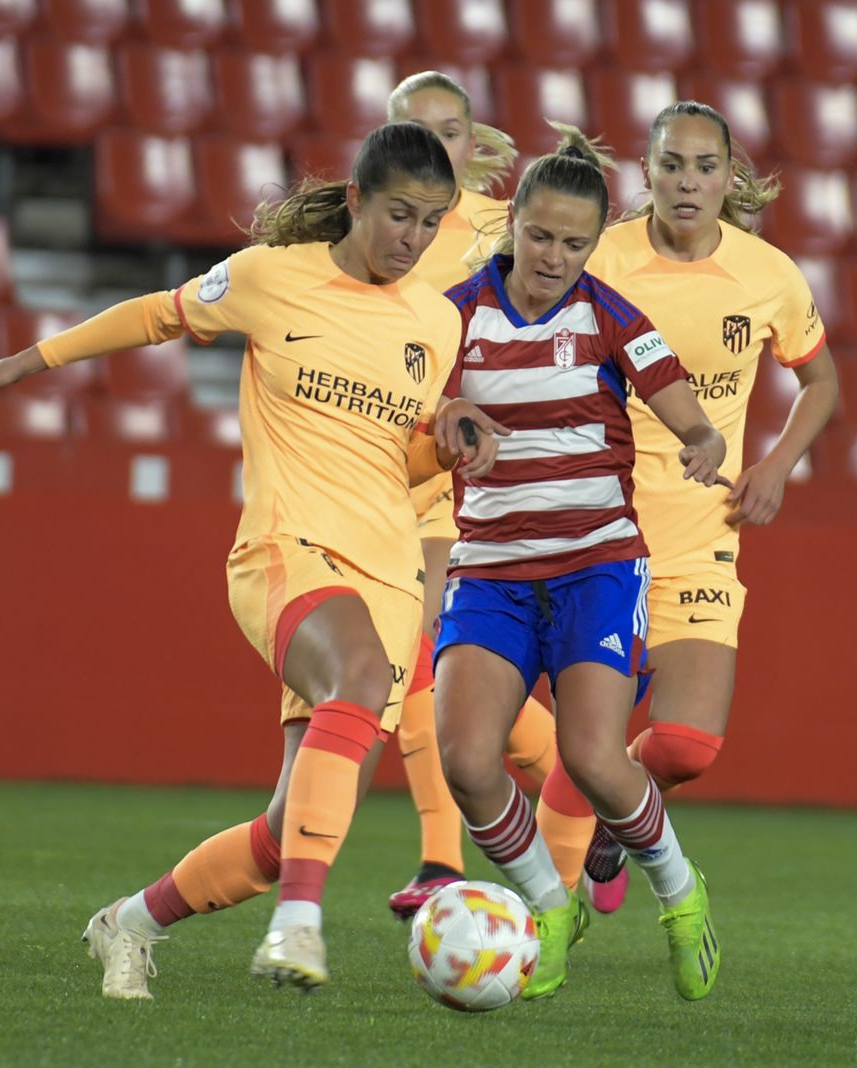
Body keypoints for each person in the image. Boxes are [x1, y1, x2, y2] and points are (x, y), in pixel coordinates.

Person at [0, 122, 505, 997]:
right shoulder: (273, 278)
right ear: (356, 201)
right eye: (399, 215)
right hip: (288, 549)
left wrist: (448, 444)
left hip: (392, 574)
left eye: (432, 222)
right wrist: (29, 361)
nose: (415, 239)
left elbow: (399, 453)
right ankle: (298, 927)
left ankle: (127, 923)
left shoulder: (434, 319)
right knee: (354, 680)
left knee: (284, 837)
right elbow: (156, 313)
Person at [433, 124, 727, 1002]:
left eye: (574, 242)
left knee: (596, 758)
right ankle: (547, 904)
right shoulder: (451, 315)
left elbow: (683, 406)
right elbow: (411, 399)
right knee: (467, 760)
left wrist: (704, 438)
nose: (554, 255)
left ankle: (680, 893)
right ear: (512, 222)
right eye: (540, 235)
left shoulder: (610, 316)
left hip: (596, 565)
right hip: (489, 570)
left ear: (594, 244)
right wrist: (441, 414)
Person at [535, 101, 839, 911]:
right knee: (587, 739)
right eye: (672, 165)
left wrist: (775, 464)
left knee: (687, 746)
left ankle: (616, 817)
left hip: (705, 534)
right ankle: (547, 921)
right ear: (646, 172)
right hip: (599, 533)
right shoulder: (600, 259)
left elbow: (822, 381)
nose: (688, 183)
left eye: (706, 167)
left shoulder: (766, 273)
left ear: (729, 176)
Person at [383, 71, 562, 918]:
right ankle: (576, 771)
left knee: (418, 657)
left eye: (452, 130)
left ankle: (440, 859)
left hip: (459, 469)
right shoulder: (375, 227)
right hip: (381, 456)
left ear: (472, 139)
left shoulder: (500, 228)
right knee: (423, 665)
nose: (438, 147)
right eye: (419, 132)